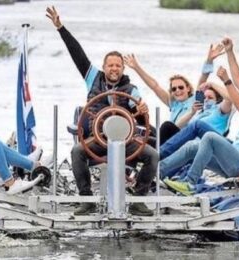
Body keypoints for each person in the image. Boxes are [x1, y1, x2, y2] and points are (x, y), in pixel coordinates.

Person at [46, 6, 158, 216]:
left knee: (153, 155)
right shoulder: (92, 78)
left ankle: (139, 199)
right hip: (97, 140)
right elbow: (76, 53)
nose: (114, 69)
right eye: (110, 65)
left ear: (123, 69)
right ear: (104, 67)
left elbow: (140, 112)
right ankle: (87, 199)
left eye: (118, 66)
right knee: (77, 151)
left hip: (125, 142)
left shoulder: (131, 89)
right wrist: (61, 28)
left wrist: (142, 109)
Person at [163, 73, 239, 195]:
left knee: (209, 137)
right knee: (192, 147)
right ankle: (156, 173)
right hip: (236, 159)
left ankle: (190, 182)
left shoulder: (220, 111)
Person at [123, 44, 224, 145]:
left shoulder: (196, 100)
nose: (177, 91)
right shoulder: (173, 103)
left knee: (166, 126)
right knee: (140, 133)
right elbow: (154, 86)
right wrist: (136, 68)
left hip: (182, 140)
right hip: (167, 138)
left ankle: (156, 153)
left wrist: (209, 60)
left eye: (181, 87)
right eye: (174, 88)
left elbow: (203, 77)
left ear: (188, 88)